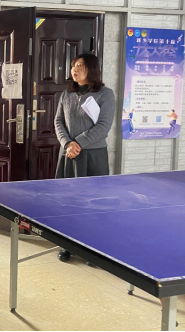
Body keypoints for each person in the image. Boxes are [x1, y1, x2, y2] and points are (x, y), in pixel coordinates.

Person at [54, 54, 116, 263]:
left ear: (92, 69)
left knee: (92, 204)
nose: (75, 69)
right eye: (73, 65)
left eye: (80, 65)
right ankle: (67, 244)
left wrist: (78, 143)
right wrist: (67, 144)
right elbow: (58, 121)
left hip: (93, 156)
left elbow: (104, 126)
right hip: (69, 155)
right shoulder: (66, 94)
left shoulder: (105, 94)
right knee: (68, 203)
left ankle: (92, 249)